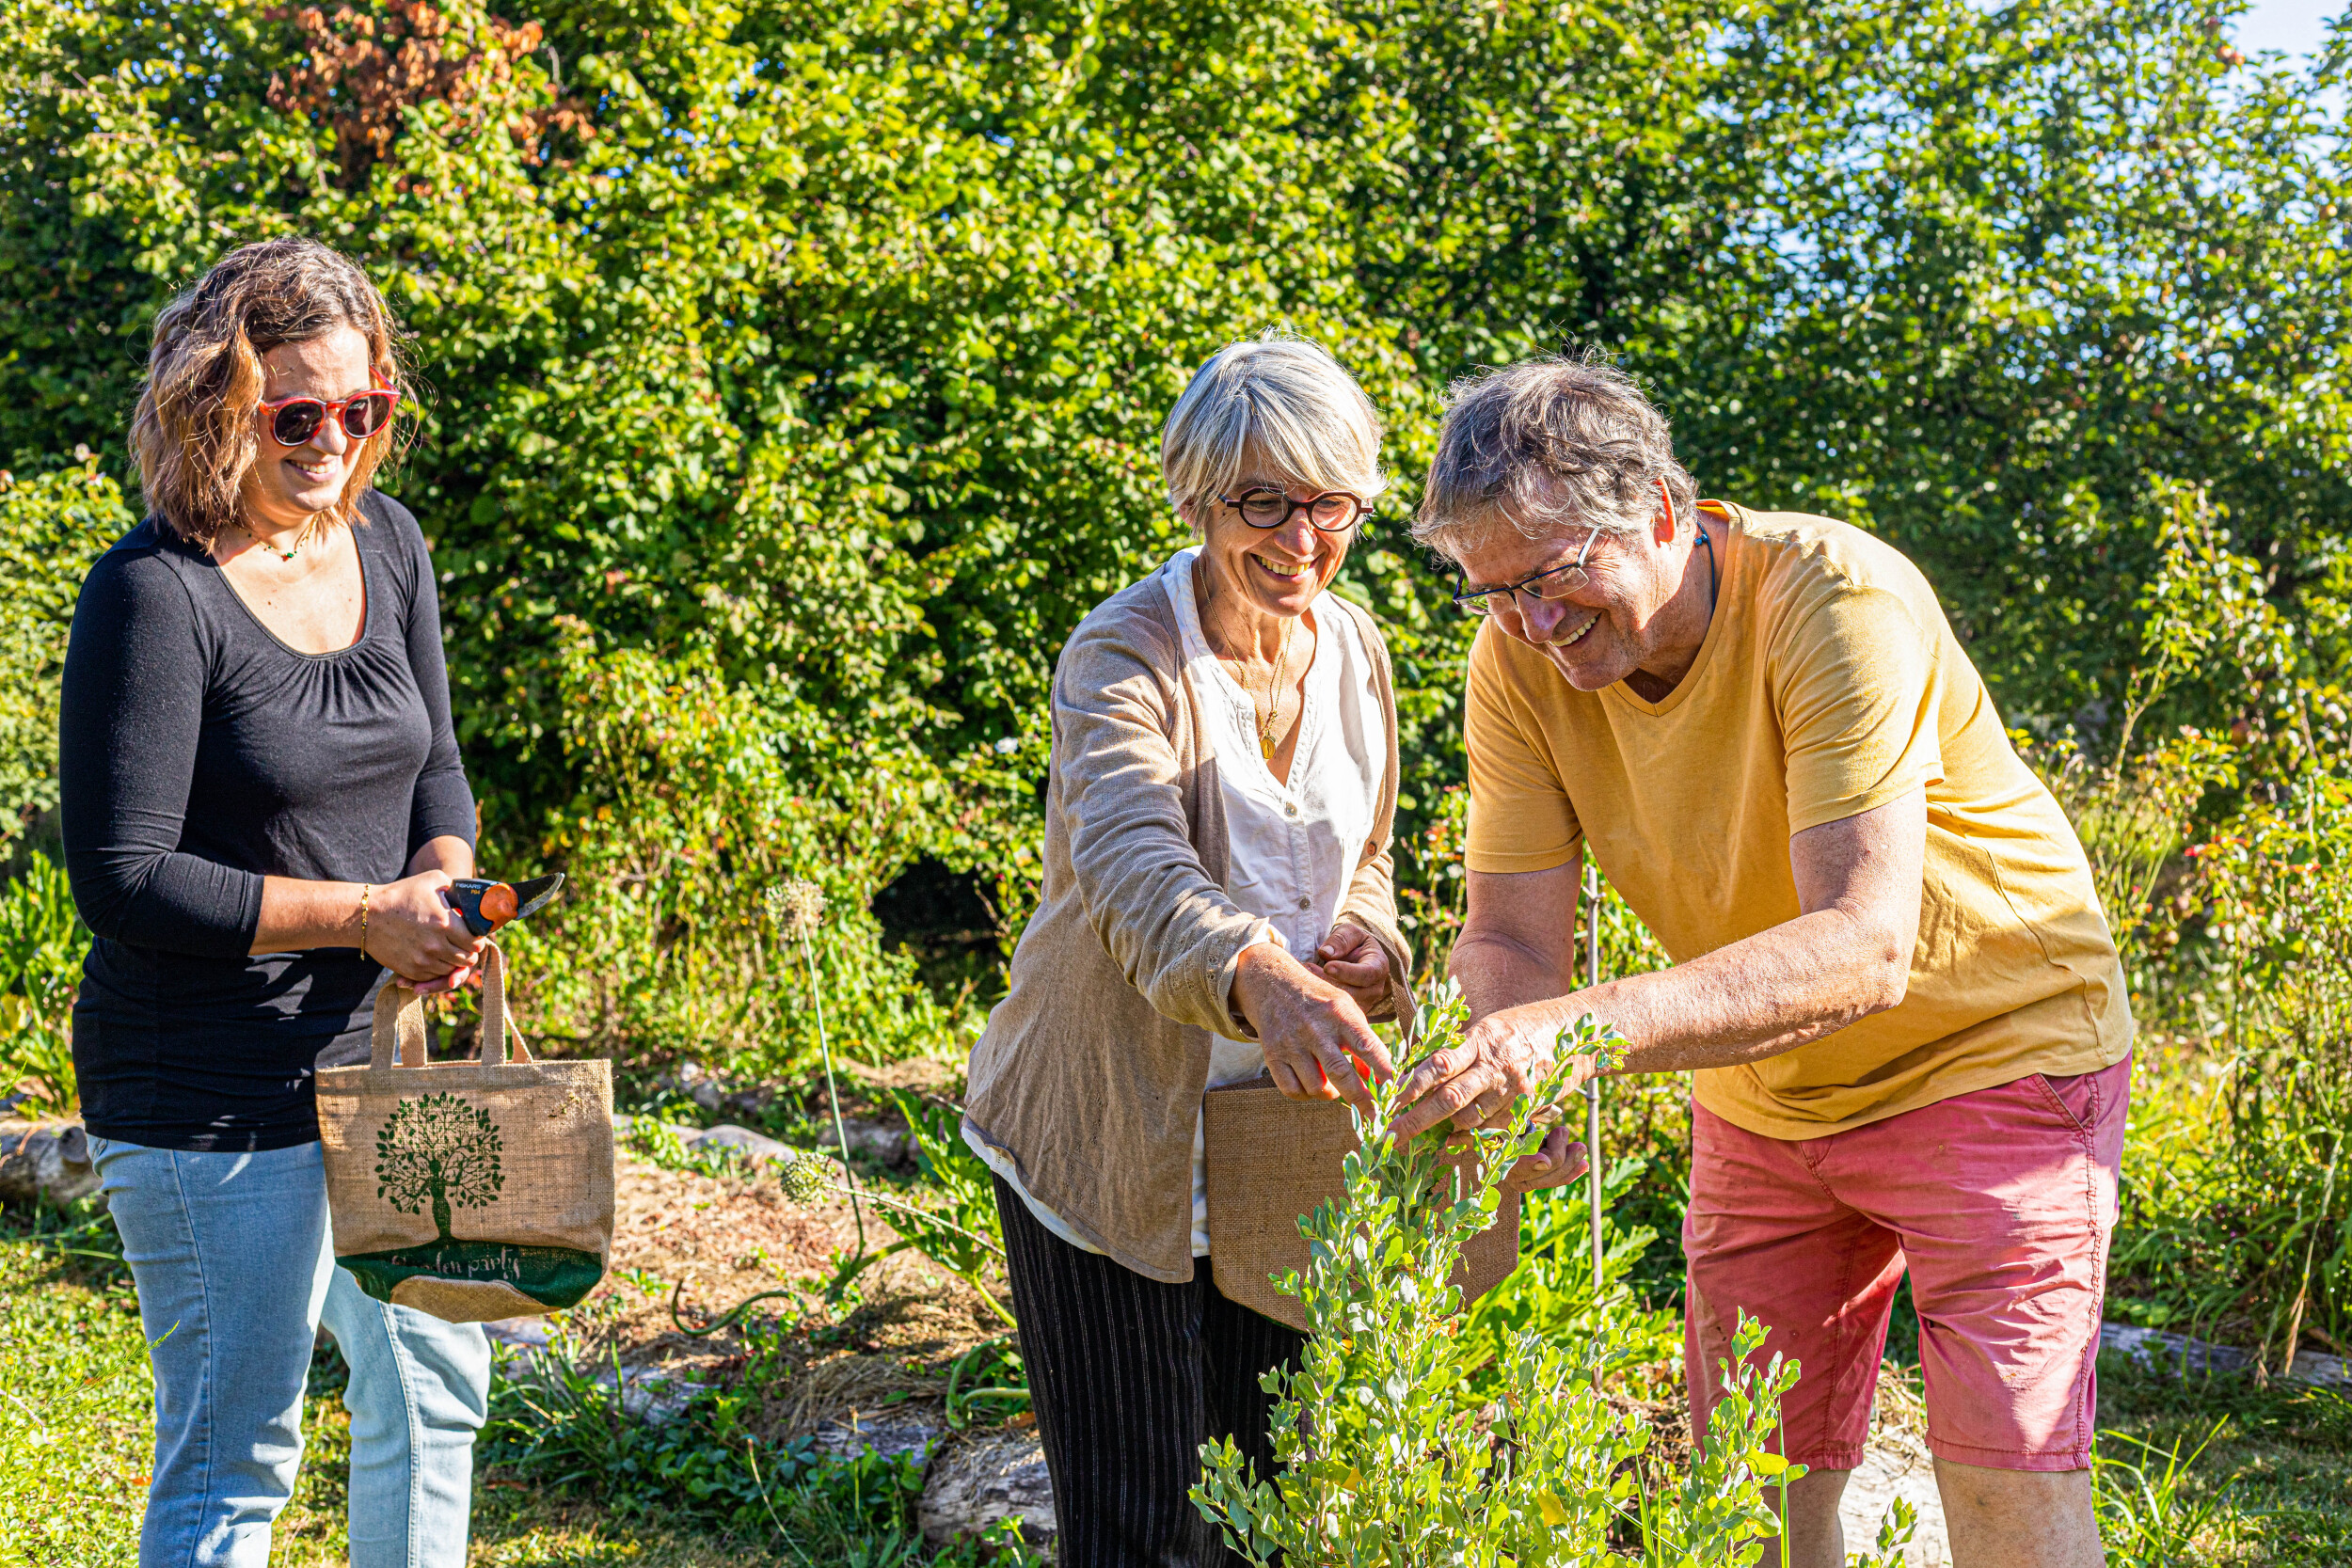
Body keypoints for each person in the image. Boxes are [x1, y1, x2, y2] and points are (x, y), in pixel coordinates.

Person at [1394, 356, 2131, 1568]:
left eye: (1553, 574)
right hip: (1765, 1093)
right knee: (1751, 1494)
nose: (1531, 622)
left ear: (1665, 513)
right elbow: (1511, 938)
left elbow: (1862, 943)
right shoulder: (1518, 667)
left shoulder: (1835, 600)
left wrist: (1567, 1038)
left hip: (1994, 1056)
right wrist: (1516, 1068)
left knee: (2003, 1493)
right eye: (1494, 592)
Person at [961, 333, 1581, 1567]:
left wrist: (1373, 944)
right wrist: (1263, 976)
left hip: (1286, 1133)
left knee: (1271, 1515)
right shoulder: (1123, 654)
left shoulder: (1357, 649)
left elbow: (1371, 853)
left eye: (1331, 504)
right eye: (1262, 504)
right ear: (1194, 498)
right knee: (1137, 1530)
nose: (1303, 539)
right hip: (1109, 1146)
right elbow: (1134, 873)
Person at [59, 237, 495, 1568]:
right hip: (205, 1088)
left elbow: (435, 764)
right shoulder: (153, 594)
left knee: (432, 1396)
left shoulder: (391, 543)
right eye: (295, 414)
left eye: (362, 411)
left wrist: (438, 880)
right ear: (215, 407)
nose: (331, 441)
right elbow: (127, 878)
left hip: (386, 1067)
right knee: (236, 1456)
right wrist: (368, 913)